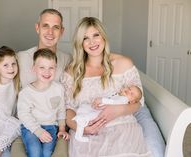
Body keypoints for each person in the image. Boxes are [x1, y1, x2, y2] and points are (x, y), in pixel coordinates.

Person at [0, 8, 71, 157]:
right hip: (25, 124)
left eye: (56, 27)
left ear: (62, 31)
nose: (50, 32)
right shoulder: (20, 58)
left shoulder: (68, 60)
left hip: (53, 125)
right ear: (37, 28)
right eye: (45, 25)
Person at [60, 17, 152, 156]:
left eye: (96, 35)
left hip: (122, 128)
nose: (92, 42)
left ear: (103, 37)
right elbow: (67, 110)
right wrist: (82, 129)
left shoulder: (123, 63)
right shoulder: (71, 72)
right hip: (87, 134)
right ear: (80, 43)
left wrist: (118, 110)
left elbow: (138, 102)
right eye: (85, 38)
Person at [17, 48, 69, 157]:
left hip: (51, 126)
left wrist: (62, 129)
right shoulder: (26, 92)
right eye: (42, 67)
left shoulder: (58, 88)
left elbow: (61, 110)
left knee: (47, 153)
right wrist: (38, 131)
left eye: (51, 68)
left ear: (56, 69)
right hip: (30, 127)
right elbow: (23, 114)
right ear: (34, 69)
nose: (47, 72)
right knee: (35, 151)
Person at [73, 85, 142, 142]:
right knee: (86, 109)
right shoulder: (117, 94)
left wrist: (101, 100)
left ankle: (78, 135)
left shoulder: (124, 100)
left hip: (102, 113)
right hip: (98, 109)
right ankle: (81, 117)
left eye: (131, 94)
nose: (129, 91)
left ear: (132, 102)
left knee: (88, 117)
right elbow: (109, 97)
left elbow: (113, 102)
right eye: (129, 88)